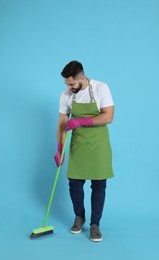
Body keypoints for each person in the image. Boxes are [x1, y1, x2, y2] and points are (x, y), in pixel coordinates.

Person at [54, 61, 114, 242]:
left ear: (81, 78)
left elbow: (108, 116)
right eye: (66, 84)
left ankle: (95, 224)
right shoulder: (66, 95)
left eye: (72, 84)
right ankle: (79, 217)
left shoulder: (101, 88)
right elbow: (61, 123)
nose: (69, 87)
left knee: (99, 185)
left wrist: (82, 121)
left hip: (99, 145)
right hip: (78, 144)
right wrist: (59, 148)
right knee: (74, 184)